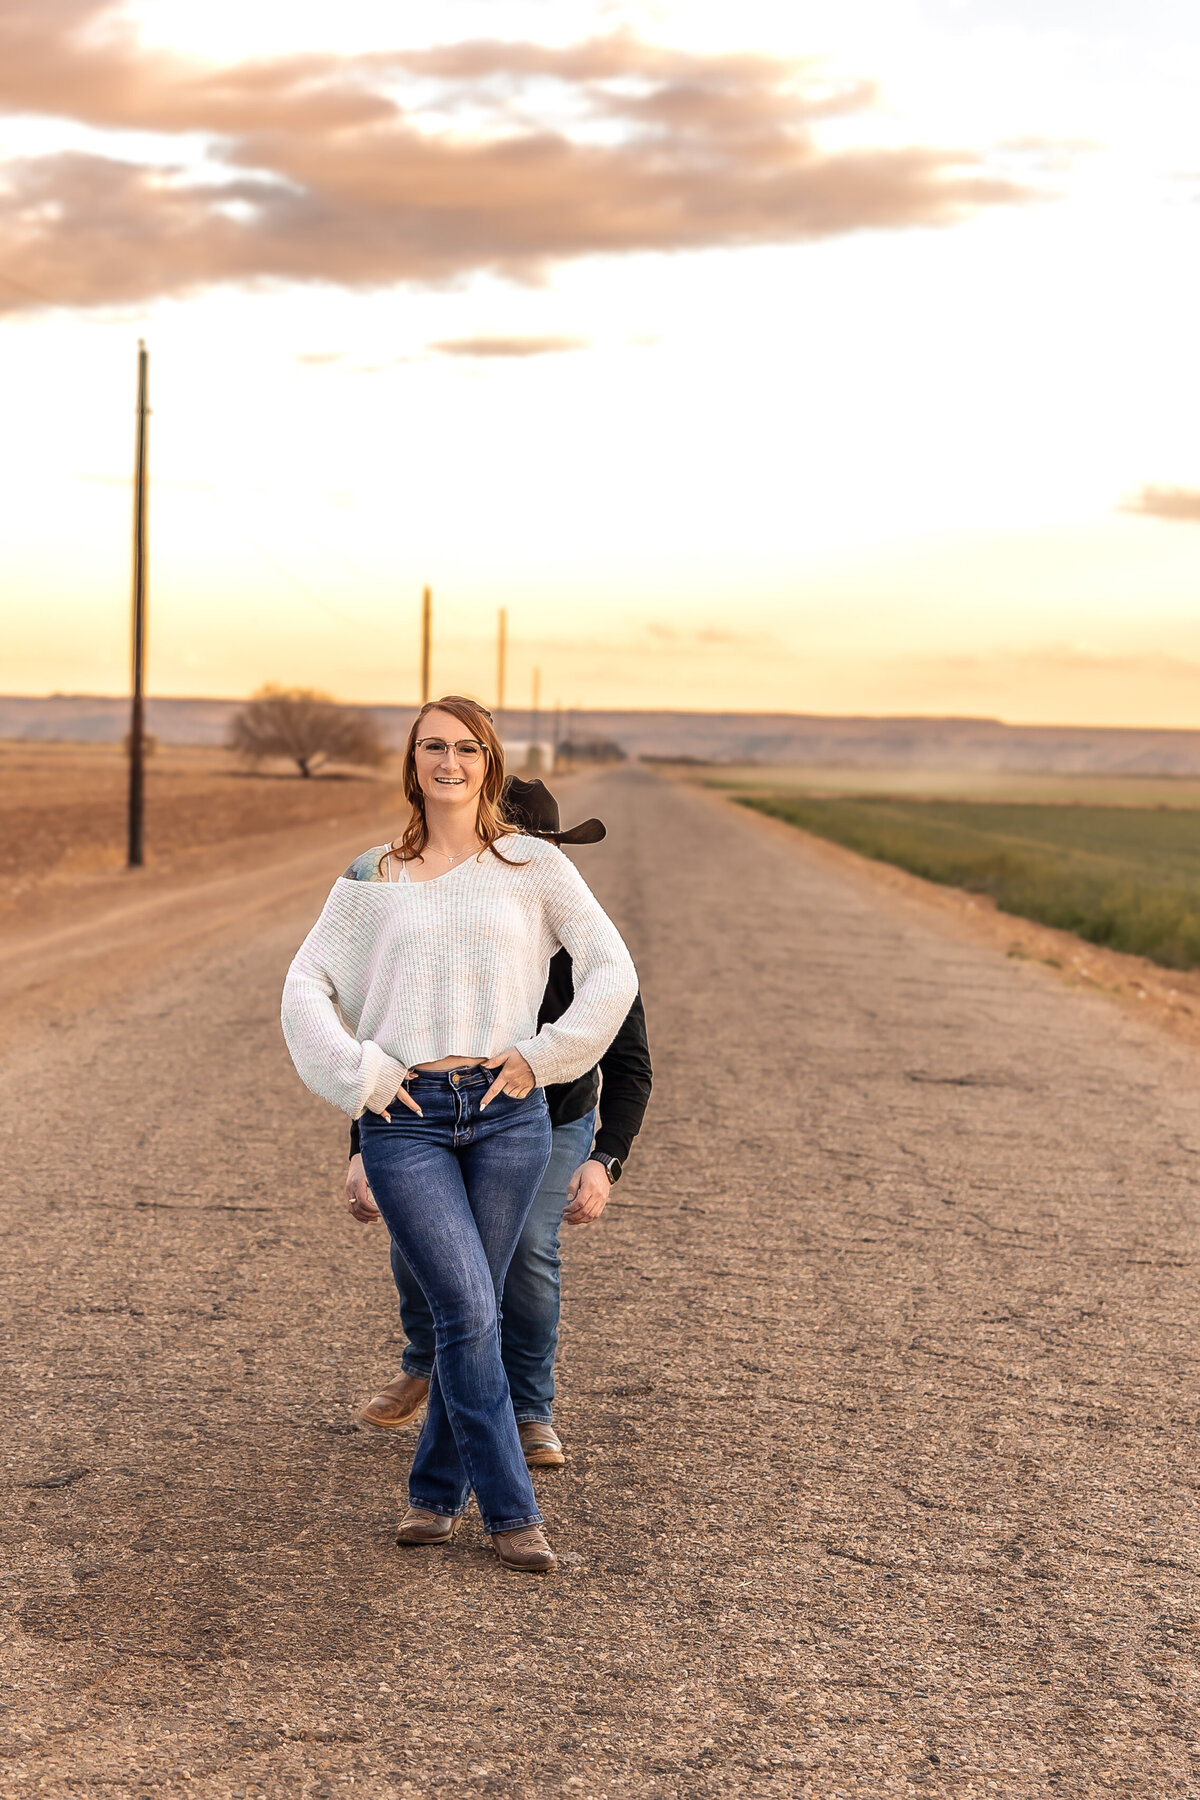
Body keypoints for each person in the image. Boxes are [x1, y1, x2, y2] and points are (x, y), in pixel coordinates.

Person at [281, 697, 637, 1573]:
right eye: (432, 746)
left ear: (491, 762)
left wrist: (545, 1055)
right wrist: (362, 1078)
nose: (449, 760)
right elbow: (305, 986)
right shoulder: (374, 875)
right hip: (407, 1118)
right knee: (468, 1306)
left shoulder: (533, 865)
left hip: (508, 1114)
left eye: (466, 747)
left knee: (467, 1312)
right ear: (412, 763)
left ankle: (434, 1498)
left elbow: (611, 971)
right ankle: (513, 1513)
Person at [345, 776, 653, 1468]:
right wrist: (362, 1147)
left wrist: (605, 1161)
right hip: (430, 1115)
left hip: (552, 1122)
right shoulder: (440, 933)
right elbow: (383, 1046)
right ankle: (425, 1364)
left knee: (525, 1261)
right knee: (417, 1243)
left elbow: (631, 1066)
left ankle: (530, 1408)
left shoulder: (589, 949)